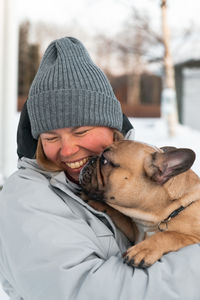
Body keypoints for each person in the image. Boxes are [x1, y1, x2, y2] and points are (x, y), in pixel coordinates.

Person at [0, 37, 200, 300]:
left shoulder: (138, 177)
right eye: (50, 137)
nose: (68, 149)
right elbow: (85, 291)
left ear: (112, 126)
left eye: (81, 131)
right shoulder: (25, 199)